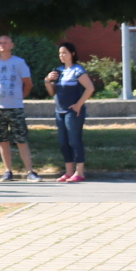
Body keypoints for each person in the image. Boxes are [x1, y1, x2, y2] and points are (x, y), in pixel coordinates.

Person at [0, 35, 40, 182]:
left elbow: (28, 83)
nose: (3, 45)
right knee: (2, 140)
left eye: (5, 42)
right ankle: (8, 171)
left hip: (15, 107)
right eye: (0, 43)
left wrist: (19, 97)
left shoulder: (19, 63)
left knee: (21, 139)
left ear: (12, 45)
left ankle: (30, 171)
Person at [45, 42, 94, 183]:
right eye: (60, 53)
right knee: (63, 141)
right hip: (59, 110)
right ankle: (68, 172)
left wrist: (79, 104)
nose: (62, 56)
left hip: (72, 111)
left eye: (65, 53)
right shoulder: (58, 71)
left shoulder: (78, 70)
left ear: (72, 54)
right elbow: (52, 92)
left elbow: (89, 88)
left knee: (74, 140)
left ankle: (80, 172)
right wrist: (47, 81)